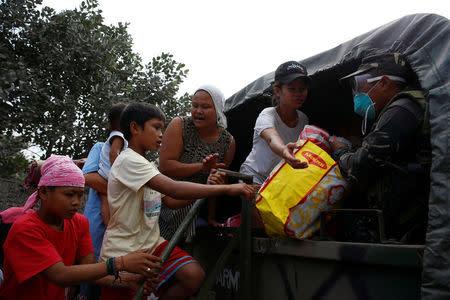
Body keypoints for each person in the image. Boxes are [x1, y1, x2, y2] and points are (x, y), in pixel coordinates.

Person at [99, 102, 255, 300]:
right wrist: (227, 187)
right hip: (125, 250)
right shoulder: (129, 160)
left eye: (162, 128)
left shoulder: (145, 164)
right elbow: (174, 188)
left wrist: (206, 187)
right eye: (156, 127)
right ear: (135, 128)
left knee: (193, 275)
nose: (161, 134)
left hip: (152, 244)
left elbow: (171, 201)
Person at [0, 155, 162, 300]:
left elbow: (90, 272)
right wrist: (120, 263)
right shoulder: (25, 229)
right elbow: (60, 275)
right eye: (70, 194)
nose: (77, 202)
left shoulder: (79, 223)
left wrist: (127, 281)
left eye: (80, 194)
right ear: (43, 192)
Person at [330, 52, 430, 244]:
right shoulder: (404, 108)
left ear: (383, 83)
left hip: (406, 228)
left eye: (359, 85)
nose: (356, 93)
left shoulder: (401, 110)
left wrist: (341, 150)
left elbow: (360, 166)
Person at [158, 85, 235, 239]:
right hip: (167, 200)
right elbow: (165, 167)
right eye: (194, 105)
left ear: (218, 110)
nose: (198, 111)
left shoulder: (228, 142)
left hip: (197, 205)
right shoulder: (180, 125)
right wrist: (202, 167)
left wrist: (211, 217)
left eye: (205, 107)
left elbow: (216, 182)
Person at [240, 61, 309, 185]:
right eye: (292, 89)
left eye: (302, 89)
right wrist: (284, 150)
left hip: (279, 181)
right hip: (254, 178)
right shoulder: (267, 114)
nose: (298, 94)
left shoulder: (304, 120)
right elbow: (272, 138)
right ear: (277, 91)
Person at [98, 102, 128, 226]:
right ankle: (112, 227)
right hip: (110, 174)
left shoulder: (114, 135)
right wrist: (119, 173)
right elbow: (113, 154)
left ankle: (109, 227)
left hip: (104, 174)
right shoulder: (119, 136)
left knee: (105, 202)